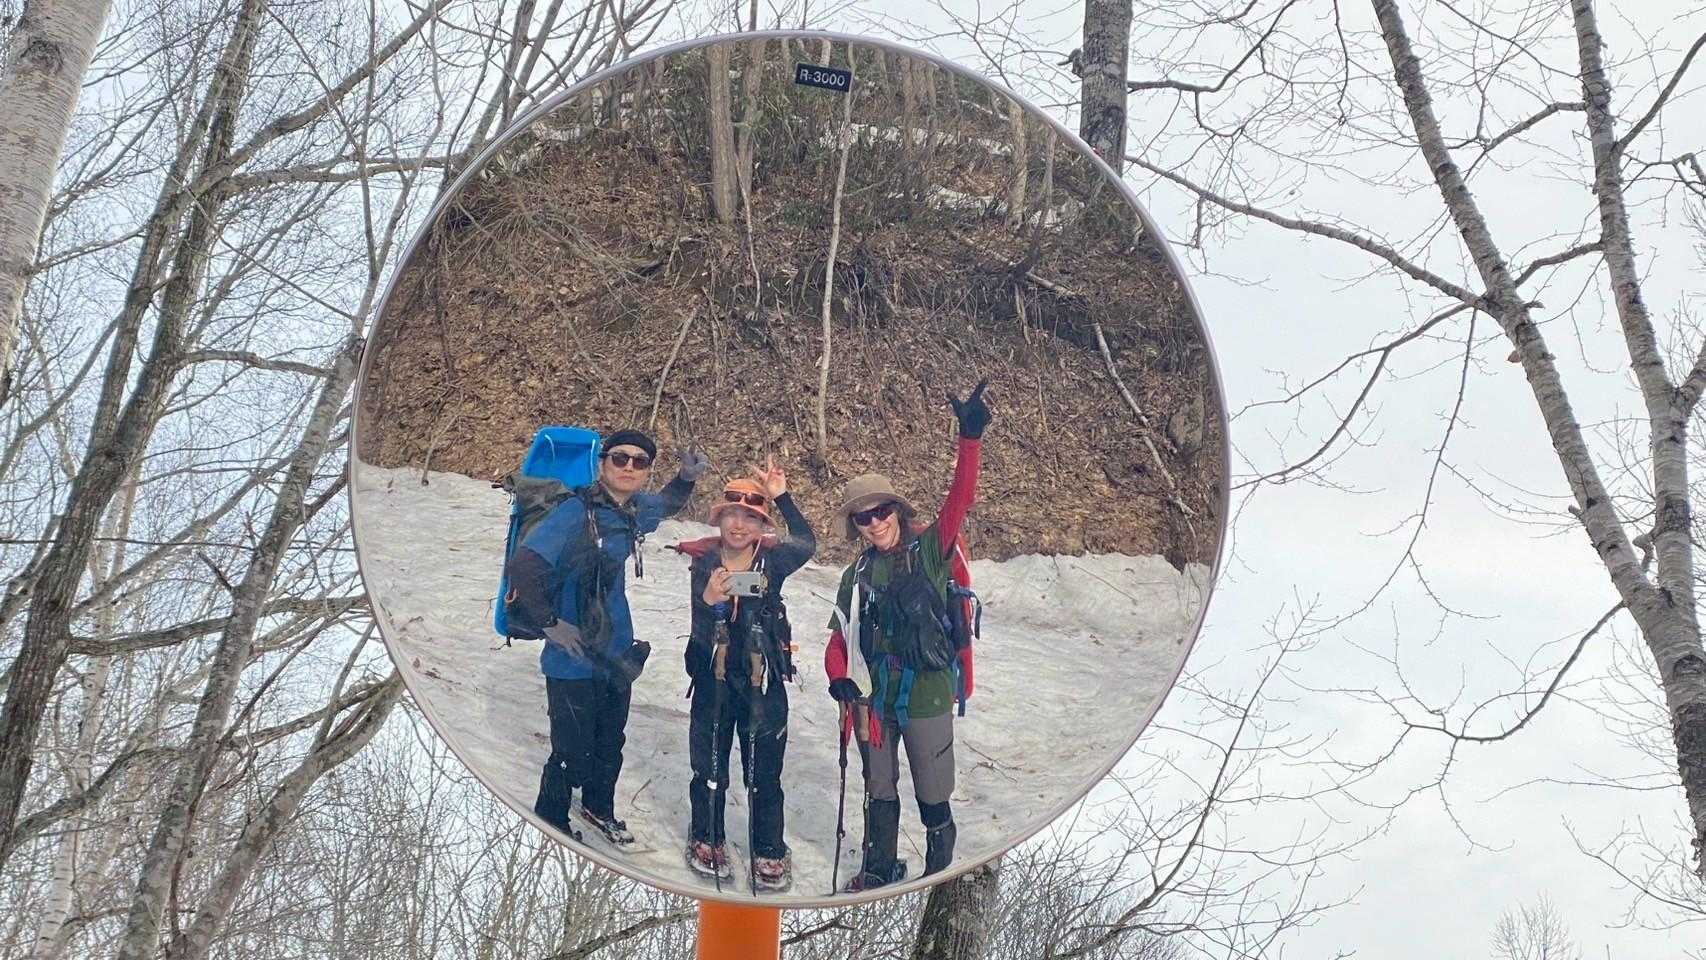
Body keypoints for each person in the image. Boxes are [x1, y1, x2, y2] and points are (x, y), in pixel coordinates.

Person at [825, 380, 992, 891]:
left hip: (927, 690)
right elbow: (840, 637)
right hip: (873, 696)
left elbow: (959, 501)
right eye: (864, 517)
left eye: (882, 511)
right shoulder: (855, 574)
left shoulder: (930, 551)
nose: (875, 522)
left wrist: (969, 440)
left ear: (897, 511)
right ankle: (880, 867)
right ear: (856, 526)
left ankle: (938, 868)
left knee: (932, 786)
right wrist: (838, 678)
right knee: (878, 785)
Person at [508, 427, 710, 848]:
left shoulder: (635, 510)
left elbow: (667, 504)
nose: (629, 467)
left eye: (640, 462)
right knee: (570, 749)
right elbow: (524, 566)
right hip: (571, 654)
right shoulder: (572, 512)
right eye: (620, 458)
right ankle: (551, 819)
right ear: (602, 464)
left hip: (616, 650)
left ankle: (599, 807)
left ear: (646, 471)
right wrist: (549, 623)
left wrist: (686, 479)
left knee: (609, 742)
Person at [676, 456, 817, 892]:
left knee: (764, 773)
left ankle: (768, 848)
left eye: (751, 518)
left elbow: (807, 543)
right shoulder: (704, 561)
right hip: (713, 677)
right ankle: (707, 836)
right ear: (719, 519)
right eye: (732, 515)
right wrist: (708, 599)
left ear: (761, 527)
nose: (739, 526)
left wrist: (782, 497)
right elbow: (699, 630)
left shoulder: (772, 562)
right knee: (710, 766)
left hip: (763, 679)